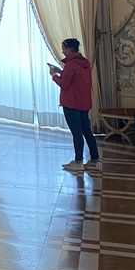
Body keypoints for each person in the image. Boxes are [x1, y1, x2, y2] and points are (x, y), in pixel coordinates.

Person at [51, 38, 100, 171]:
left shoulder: (70, 64)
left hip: (71, 102)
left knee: (76, 133)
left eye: (64, 48)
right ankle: (95, 158)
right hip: (83, 101)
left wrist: (54, 75)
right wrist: (61, 72)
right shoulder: (84, 63)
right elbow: (75, 78)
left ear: (69, 48)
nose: (62, 51)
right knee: (86, 131)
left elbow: (64, 84)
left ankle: (78, 161)